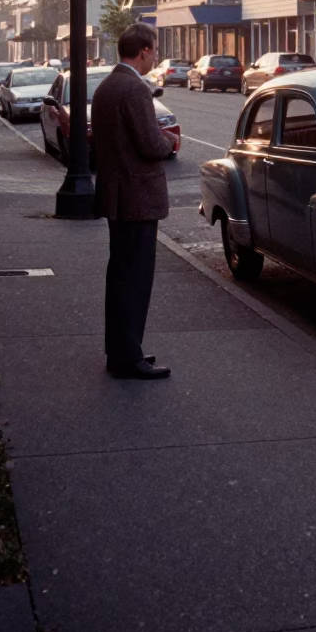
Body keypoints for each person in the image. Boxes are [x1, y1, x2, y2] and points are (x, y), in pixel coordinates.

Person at [91, 23, 179, 380]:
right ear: (143, 51)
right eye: (154, 50)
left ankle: (122, 350)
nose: (156, 56)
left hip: (116, 194)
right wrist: (170, 142)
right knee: (136, 278)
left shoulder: (106, 87)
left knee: (121, 275)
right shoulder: (136, 90)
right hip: (138, 197)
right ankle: (129, 358)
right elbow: (148, 143)